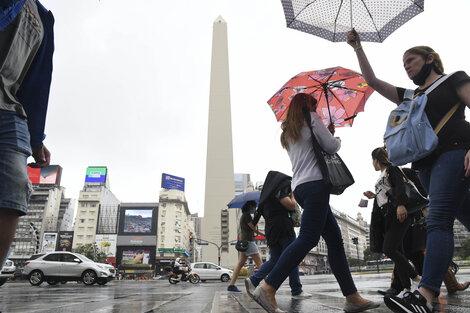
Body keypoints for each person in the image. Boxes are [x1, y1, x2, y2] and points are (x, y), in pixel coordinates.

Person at [347, 28, 470, 313]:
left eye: (411, 61)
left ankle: (424, 296)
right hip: (426, 165)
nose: (407, 67)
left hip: (454, 153)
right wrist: (358, 48)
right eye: (403, 64)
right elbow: (373, 82)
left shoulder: (454, 79)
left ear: (429, 59)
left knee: (438, 221)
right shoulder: (411, 95)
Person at [251, 93, 379, 313]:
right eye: (313, 103)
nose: (316, 107)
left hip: (300, 187)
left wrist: (322, 133)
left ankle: (352, 296)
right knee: (308, 238)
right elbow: (330, 147)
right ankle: (268, 286)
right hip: (316, 185)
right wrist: (334, 137)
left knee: (336, 242)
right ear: (305, 105)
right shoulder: (311, 118)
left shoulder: (288, 131)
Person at [0, 0, 54, 268]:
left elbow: (37, 85)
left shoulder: (44, 18)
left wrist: (36, 139)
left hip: (9, 106)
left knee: (15, 186)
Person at [363, 147, 421, 296]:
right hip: (386, 216)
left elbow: (400, 186)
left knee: (388, 249)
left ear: (376, 159)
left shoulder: (392, 168)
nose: (372, 164)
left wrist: (401, 205)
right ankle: (406, 289)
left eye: (372, 160)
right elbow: (388, 194)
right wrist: (374, 196)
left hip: (397, 213)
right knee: (398, 251)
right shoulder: (382, 175)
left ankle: (416, 278)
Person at [245, 170, 311, 299]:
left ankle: (253, 280)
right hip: (284, 228)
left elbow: (254, 221)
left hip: (271, 231)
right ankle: (296, 290)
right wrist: (292, 195)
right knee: (292, 256)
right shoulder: (279, 192)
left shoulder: (264, 199)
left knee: (274, 259)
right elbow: (291, 206)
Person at [227, 200, 264, 292]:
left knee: (240, 264)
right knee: (260, 264)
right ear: (250, 206)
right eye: (254, 207)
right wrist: (256, 218)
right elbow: (253, 228)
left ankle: (231, 285)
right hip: (249, 242)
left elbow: (252, 229)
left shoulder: (244, 216)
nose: (254, 208)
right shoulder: (247, 216)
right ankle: (270, 284)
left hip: (244, 242)